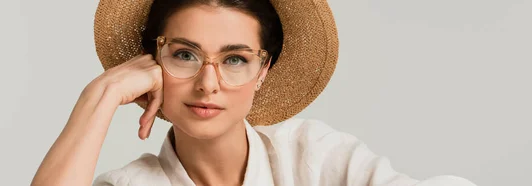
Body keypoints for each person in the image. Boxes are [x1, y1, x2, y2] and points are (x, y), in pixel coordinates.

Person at [32, 0, 477, 185]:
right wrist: (101, 96)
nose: (208, 84)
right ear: (153, 63)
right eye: (185, 55)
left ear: (264, 70)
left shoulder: (315, 158)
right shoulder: (132, 185)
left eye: (235, 59)